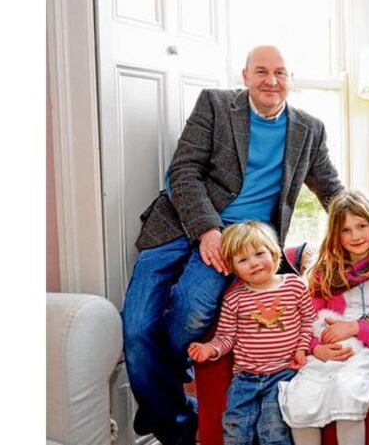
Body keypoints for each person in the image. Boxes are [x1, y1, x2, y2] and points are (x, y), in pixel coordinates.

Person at [121, 44, 344, 445]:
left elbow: (333, 191)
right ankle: (169, 412)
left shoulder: (309, 129)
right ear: (245, 76)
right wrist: (207, 230)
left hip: (241, 241)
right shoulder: (216, 105)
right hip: (177, 224)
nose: (271, 81)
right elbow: (183, 171)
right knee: (136, 328)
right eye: (261, 71)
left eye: (280, 72)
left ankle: (159, 400)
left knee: (191, 310)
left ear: (290, 79)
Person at [277, 190, 369, 445]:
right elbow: (305, 321)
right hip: (326, 349)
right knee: (302, 396)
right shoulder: (324, 271)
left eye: (361, 226)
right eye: (346, 230)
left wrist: (354, 327)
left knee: (348, 390)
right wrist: (316, 349)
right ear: (335, 235)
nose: (355, 236)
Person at [187, 221, 314, 445]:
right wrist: (209, 349)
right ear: (233, 268)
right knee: (235, 429)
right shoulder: (234, 298)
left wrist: (302, 348)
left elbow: (309, 321)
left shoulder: (294, 286)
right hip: (245, 377)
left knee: (273, 429)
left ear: (273, 252)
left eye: (259, 254)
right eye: (243, 260)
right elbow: (226, 337)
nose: (253, 263)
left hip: (283, 374)